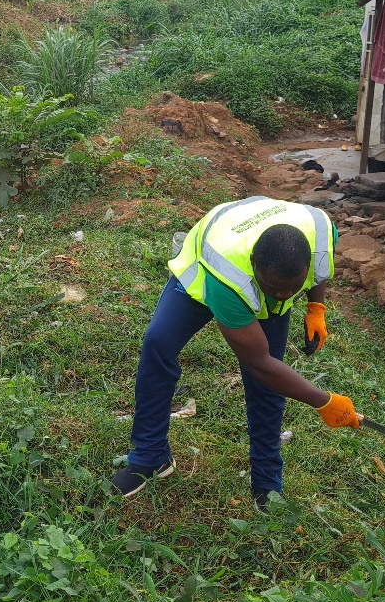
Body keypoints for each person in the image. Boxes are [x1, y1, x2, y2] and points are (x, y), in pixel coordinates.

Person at [111, 196, 361, 508]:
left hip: (255, 259)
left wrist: (315, 306)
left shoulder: (320, 232)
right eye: (274, 288)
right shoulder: (227, 276)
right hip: (207, 271)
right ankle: (150, 457)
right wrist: (323, 401)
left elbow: (319, 271)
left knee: (268, 389)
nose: (284, 296)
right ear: (254, 263)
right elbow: (259, 363)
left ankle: (267, 482)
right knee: (158, 344)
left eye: (292, 288)